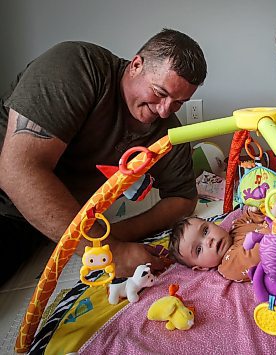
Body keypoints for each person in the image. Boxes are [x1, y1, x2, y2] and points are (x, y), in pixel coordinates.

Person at [0, 28, 207, 285]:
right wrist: (109, 250)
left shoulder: (168, 131)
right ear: (136, 65)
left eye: (178, 102)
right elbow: (17, 169)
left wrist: (119, 234)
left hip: (32, 227)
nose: (165, 111)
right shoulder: (76, 66)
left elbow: (184, 199)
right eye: (160, 92)